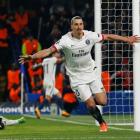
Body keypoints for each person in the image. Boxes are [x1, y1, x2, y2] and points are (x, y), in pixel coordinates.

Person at [19, 16, 140, 132]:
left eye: (80, 24)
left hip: (91, 73)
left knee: (103, 101)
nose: (79, 27)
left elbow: (108, 37)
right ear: (71, 26)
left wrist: (127, 39)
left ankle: (88, 101)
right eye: (76, 24)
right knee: (91, 104)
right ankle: (102, 122)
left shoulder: (90, 35)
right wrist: (32, 57)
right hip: (77, 78)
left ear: (83, 25)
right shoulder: (65, 40)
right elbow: (49, 50)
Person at [32, 52, 65, 119]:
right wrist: (68, 57)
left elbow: (40, 65)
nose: (58, 54)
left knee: (59, 94)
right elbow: (60, 60)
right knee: (48, 98)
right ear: (53, 54)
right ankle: (38, 109)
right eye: (57, 53)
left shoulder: (45, 60)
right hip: (50, 83)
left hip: (45, 82)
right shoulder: (53, 59)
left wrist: (35, 66)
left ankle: (63, 111)